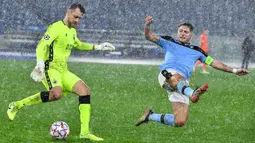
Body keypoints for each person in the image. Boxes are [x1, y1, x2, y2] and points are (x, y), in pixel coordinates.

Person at [7, 3, 115, 141]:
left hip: (63, 70)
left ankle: (85, 133)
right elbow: (42, 46)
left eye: (80, 18)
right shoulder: (55, 28)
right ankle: (16, 105)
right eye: (75, 17)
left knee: (85, 91)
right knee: (56, 94)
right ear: (68, 12)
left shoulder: (72, 32)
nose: (77, 21)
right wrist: (40, 63)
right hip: (50, 68)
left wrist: (98, 47)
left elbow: (79, 45)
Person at [135, 16, 249, 127]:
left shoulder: (198, 51)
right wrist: (147, 25)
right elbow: (149, 36)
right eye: (180, 31)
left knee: (179, 121)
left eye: (186, 32)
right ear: (177, 32)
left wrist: (234, 70)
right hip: (167, 75)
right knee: (178, 78)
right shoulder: (168, 41)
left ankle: (150, 116)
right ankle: (192, 93)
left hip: (182, 84)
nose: (182, 33)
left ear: (191, 35)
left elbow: (214, 63)